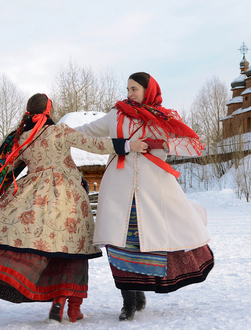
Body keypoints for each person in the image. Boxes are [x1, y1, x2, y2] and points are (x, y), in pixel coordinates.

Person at [0, 93, 147, 323]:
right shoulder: (59, 131)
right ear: (49, 110)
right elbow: (95, 144)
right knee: (72, 249)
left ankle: (56, 305)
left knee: (47, 248)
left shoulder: (22, 138)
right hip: (67, 197)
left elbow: (5, 171)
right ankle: (72, 307)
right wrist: (129, 145)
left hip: (33, 196)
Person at [73, 72, 214, 321]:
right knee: (119, 243)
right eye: (128, 89)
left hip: (153, 190)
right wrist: (61, 132)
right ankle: (128, 300)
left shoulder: (162, 118)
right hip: (118, 190)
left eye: (135, 89)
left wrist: (161, 143)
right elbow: (87, 132)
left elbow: (186, 143)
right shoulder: (116, 115)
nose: (130, 94)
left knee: (146, 241)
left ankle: (139, 292)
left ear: (148, 90)